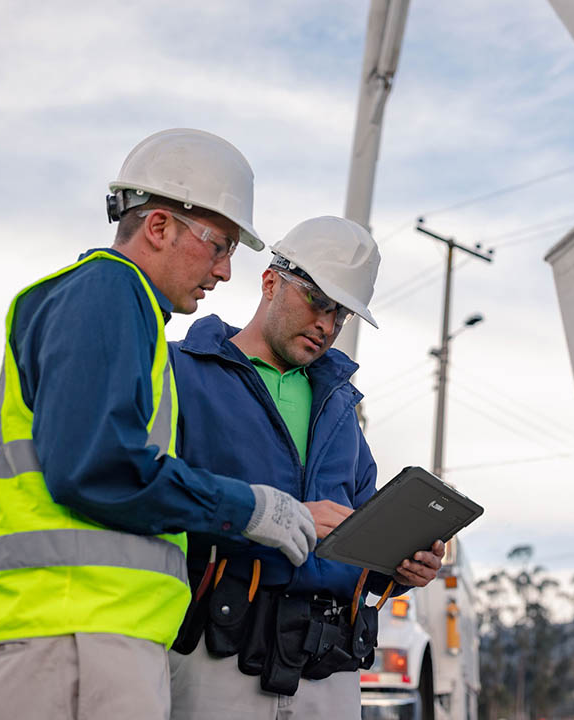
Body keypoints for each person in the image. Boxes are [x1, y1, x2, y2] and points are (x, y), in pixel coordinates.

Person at [0, 128, 320, 720]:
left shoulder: (122, 310)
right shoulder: (108, 291)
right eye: (220, 245)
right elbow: (98, 466)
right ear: (158, 227)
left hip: (74, 634)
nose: (225, 271)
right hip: (71, 636)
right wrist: (248, 507)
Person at [166, 216, 444, 720]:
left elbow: (360, 533)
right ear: (271, 281)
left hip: (329, 669)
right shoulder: (181, 374)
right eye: (318, 301)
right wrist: (276, 516)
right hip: (216, 655)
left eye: (342, 315)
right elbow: (157, 496)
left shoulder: (341, 406)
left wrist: (401, 569)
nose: (327, 325)